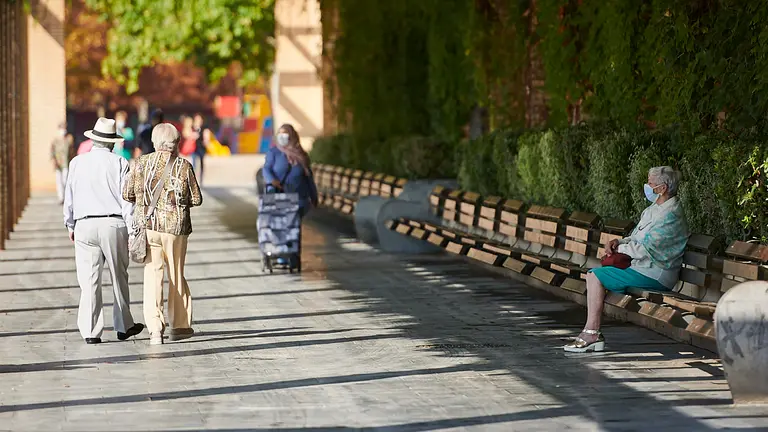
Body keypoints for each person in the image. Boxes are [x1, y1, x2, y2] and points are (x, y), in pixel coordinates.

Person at [565, 166, 690, 353]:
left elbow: (646, 249)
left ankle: (592, 333)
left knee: (594, 276)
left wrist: (618, 251)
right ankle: (592, 333)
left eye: (650, 183)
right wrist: (618, 242)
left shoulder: (671, 215)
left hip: (656, 273)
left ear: (662, 188)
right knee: (595, 275)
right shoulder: (653, 210)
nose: (647, 187)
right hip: (642, 268)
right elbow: (636, 238)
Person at [63, 117, 145, 345]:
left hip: (84, 224)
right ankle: (123, 325)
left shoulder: (77, 163)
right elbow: (127, 201)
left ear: (93, 140)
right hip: (113, 223)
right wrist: (131, 229)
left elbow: (69, 197)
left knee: (88, 280)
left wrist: (70, 224)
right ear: (112, 143)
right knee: (119, 277)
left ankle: (90, 331)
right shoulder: (119, 163)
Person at [123, 123, 203, 345]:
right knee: (176, 273)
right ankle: (178, 326)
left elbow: (127, 193)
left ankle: (155, 329)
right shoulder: (184, 166)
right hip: (176, 229)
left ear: (155, 142)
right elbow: (196, 199)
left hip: (149, 227)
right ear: (176, 143)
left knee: (152, 274)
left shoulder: (141, 163)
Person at [262, 123, 318, 216]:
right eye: (279, 134)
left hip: (300, 198)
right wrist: (272, 180)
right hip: (280, 196)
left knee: (295, 226)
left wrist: (314, 196)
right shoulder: (274, 153)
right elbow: (266, 168)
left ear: (292, 136)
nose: (281, 136)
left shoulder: (302, 155)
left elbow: (308, 177)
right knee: (284, 225)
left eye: (285, 133)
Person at [51, 122, 74, 204]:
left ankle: (66, 197)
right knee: (59, 181)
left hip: (66, 163)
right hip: (58, 163)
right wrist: (54, 161)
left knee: (65, 180)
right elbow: (52, 152)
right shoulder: (55, 140)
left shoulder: (69, 139)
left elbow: (71, 151)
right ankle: (61, 197)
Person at [192, 113, 210, 183]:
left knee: (201, 163)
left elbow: (206, 136)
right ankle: (194, 179)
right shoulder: (193, 127)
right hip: (194, 148)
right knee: (194, 164)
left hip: (201, 148)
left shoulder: (204, 128)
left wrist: (206, 141)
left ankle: (201, 179)